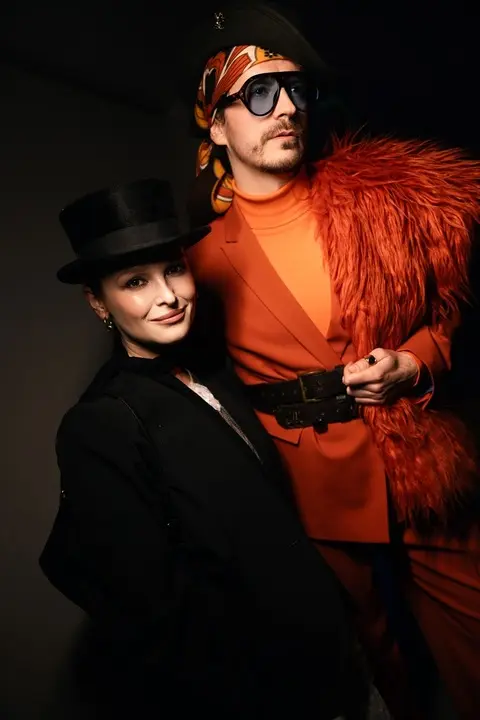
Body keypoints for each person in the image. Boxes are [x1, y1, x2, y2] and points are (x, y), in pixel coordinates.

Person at [184, 4, 480, 719]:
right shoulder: (196, 265)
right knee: (369, 662)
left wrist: (414, 363)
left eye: (295, 89)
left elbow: (448, 314)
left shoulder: (384, 205)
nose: (287, 107)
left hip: (421, 462)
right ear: (217, 126)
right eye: (260, 94)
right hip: (307, 490)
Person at [39, 178, 366, 720]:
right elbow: (153, 613)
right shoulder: (101, 424)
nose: (167, 296)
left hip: (332, 658)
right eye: (135, 282)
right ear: (98, 302)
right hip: (263, 693)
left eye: (173, 269)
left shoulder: (215, 373)